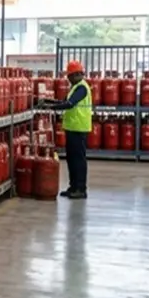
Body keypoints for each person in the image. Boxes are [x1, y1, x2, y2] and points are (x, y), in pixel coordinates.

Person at [40, 60, 92, 199]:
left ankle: (81, 189)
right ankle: (73, 187)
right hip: (72, 127)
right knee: (71, 159)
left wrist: (51, 108)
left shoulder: (82, 88)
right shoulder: (75, 88)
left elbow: (69, 104)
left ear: (76, 74)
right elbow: (63, 102)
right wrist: (48, 102)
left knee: (78, 160)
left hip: (79, 128)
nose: (68, 79)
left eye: (69, 76)